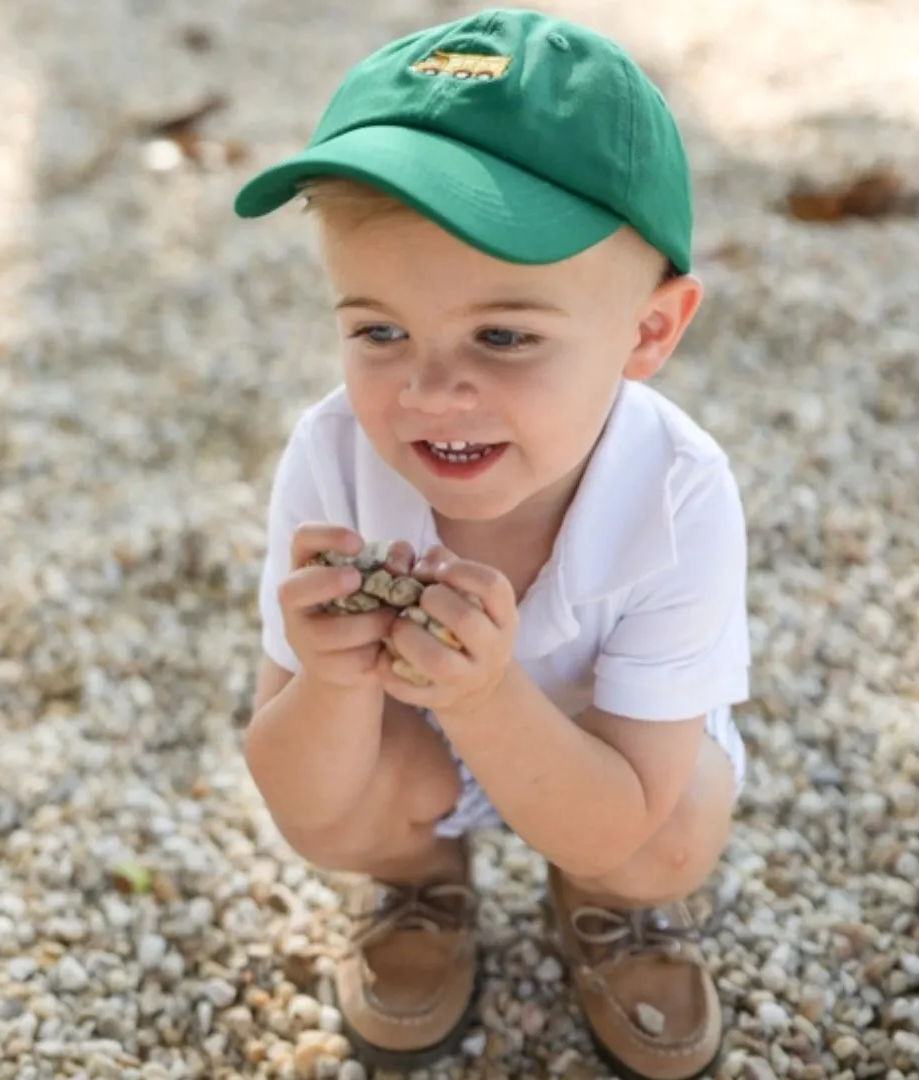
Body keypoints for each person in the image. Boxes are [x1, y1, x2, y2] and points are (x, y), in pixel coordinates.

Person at [235, 8, 750, 1079]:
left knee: (666, 845)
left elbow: (627, 810)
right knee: (348, 809)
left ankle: (599, 905)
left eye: (504, 335)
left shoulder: (677, 492)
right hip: (415, 757)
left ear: (649, 332)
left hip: (608, 766)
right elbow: (294, 799)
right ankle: (424, 879)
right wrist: (328, 684)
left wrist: (483, 696)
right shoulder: (334, 454)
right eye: (379, 331)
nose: (431, 391)